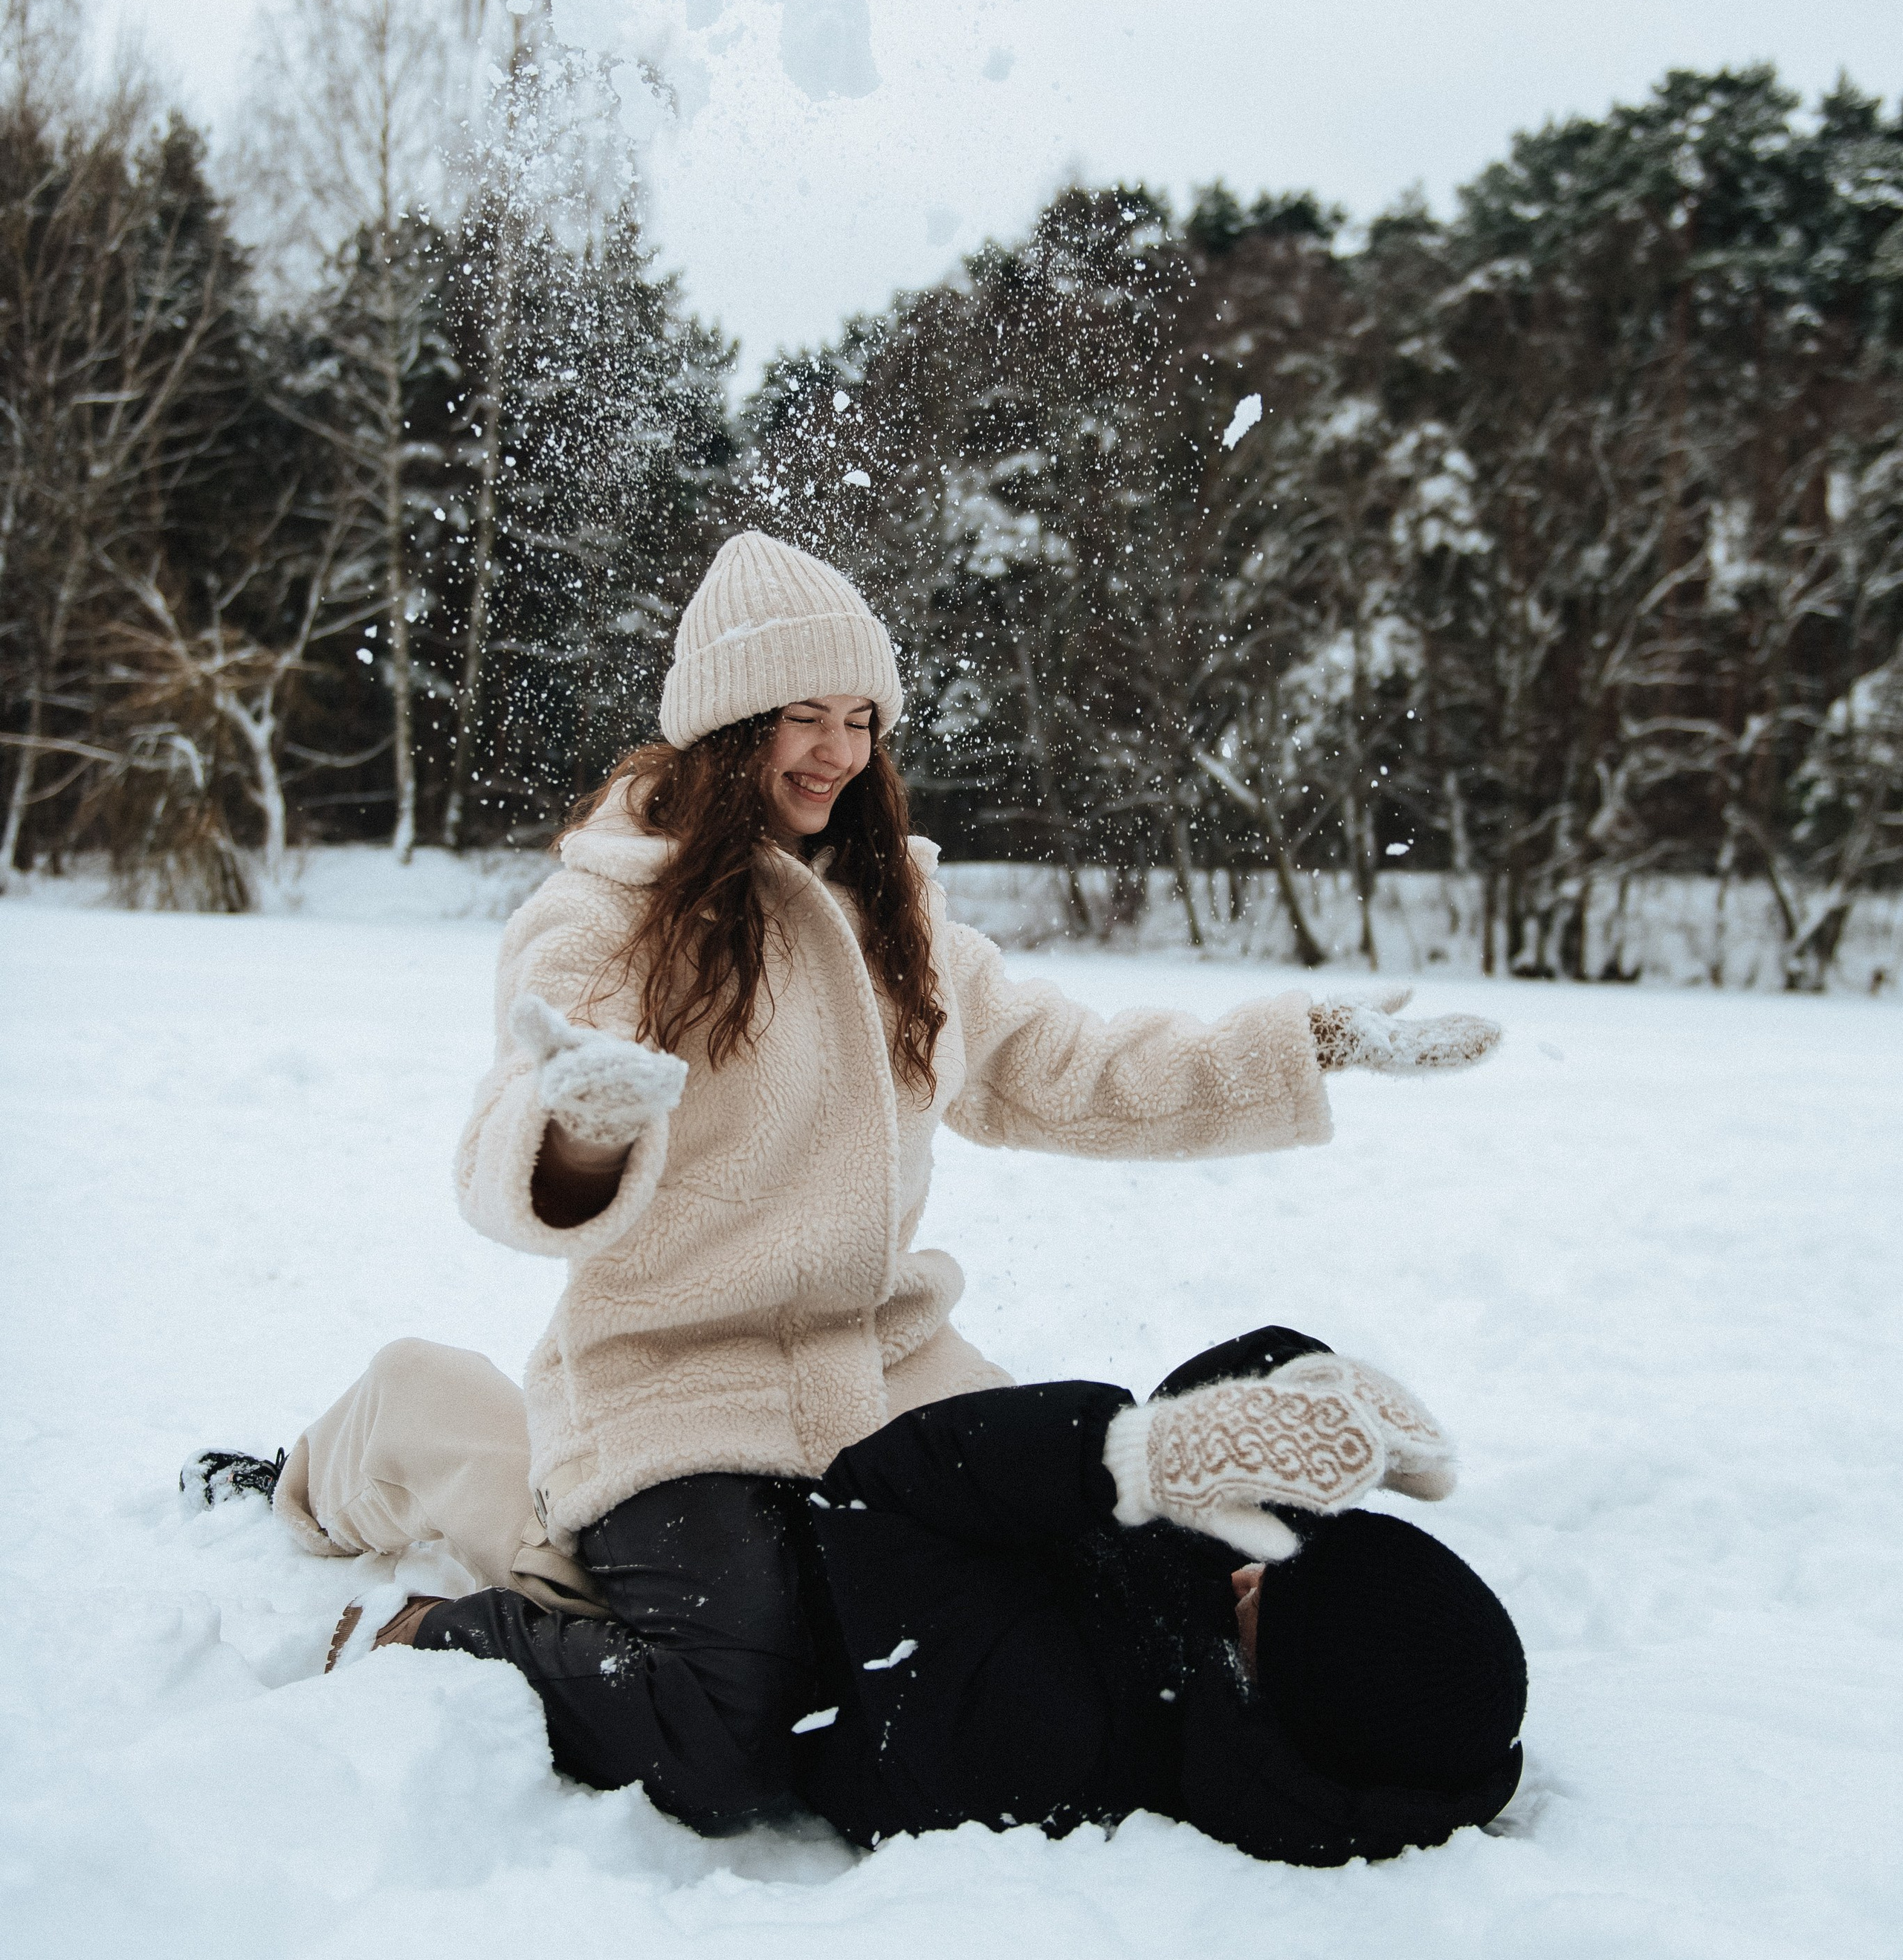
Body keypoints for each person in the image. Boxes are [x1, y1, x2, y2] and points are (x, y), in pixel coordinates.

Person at [188, 530, 1504, 1841]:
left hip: (888, 1369)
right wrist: (576, 1128)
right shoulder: (605, 924)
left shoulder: (899, 923)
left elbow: (1069, 1067)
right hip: (676, 1381)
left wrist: (1297, 1046)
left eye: (861, 718)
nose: (837, 751)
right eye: (802, 717)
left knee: (1062, 1578)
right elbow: (499, 1162)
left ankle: (550, 1535)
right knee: (726, 1719)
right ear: (724, 727)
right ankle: (426, 1587)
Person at [334, 1323, 1530, 1866]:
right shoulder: (1274, 1655)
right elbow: (1211, 1439)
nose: (1256, 1565)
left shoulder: (1051, 1733)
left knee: (468, 1438)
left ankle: (422, 1612)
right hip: (894, 1520)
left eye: (1273, 1590)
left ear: (1280, 1686)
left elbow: (877, 1499)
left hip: (785, 1590)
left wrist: (1100, 1453)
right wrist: (1305, 1388)